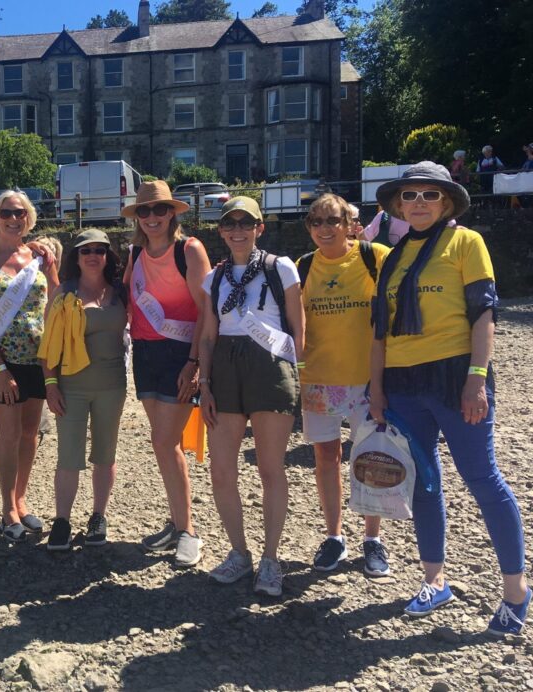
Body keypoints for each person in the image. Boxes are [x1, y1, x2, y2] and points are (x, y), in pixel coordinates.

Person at [369, 161, 529, 635]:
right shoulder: (392, 257)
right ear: (398, 205)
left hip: (454, 376)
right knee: (424, 483)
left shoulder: (467, 243)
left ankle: (516, 591)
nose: (419, 202)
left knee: (483, 479)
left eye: (429, 194)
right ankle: (434, 581)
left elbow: (484, 315)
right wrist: (376, 388)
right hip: (402, 383)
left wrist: (476, 378)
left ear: (447, 201)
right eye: (411, 195)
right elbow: (380, 331)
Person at [198, 197, 304, 596]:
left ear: (260, 228)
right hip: (224, 368)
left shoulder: (282, 269)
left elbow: (298, 328)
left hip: (270, 366)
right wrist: (204, 384)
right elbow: (207, 337)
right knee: (222, 470)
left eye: (246, 222)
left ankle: (271, 560)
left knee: (270, 467)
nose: (238, 230)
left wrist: (297, 375)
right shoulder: (215, 278)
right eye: (230, 224)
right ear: (222, 231)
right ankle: (240, 553)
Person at [296, 194, 391, 576]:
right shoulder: (302, 267)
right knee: (326, 460)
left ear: (350, 222)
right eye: (315, 221)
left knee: (371, 460)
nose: (323, 228)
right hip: (319, 380)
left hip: (368, 381)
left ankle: (372, 539)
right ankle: (334, 536)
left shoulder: (375, 257)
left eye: (332, 220)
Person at [121, 180, 212, 568]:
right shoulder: (134, 254)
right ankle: (177, 524)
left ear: (173, 213)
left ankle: (189, 530)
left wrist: (195, 363)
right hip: (145, 355)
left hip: (181, 355)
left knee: (163, 441)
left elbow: (208, 310)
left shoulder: (189, 250)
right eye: (145, 211)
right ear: (137, 218)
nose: (153, 217)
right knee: (165, 444)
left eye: (160, 210)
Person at [0, 190, 59, 542]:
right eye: (6, 212)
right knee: (7, 435)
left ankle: (21, 500)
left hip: (38, 360)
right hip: (3, 361)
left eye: (20, 213)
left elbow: (56, 300)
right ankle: (7, 508)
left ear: (29, 218)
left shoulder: (38, 257)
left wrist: (51, 265)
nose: (13, 218)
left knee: (29, 434)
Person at [40, 230, 127, 550]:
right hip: (71, 386)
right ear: (75, 257)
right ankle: (62, 519)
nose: (93, 255)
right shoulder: (63, 293)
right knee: (68, 456)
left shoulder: (121, 292)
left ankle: (97, 516)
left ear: (108, 256)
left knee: (105, 453)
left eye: (100, 250)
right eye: (85, 250)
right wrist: (50, 386)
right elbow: (47, 345)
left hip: (112, 386)